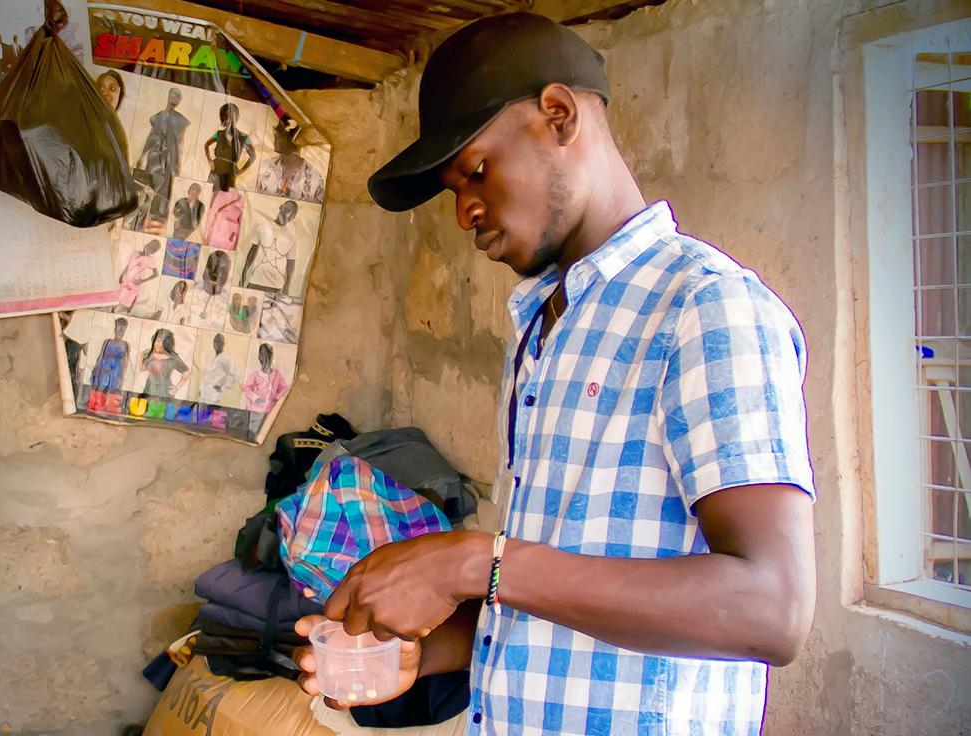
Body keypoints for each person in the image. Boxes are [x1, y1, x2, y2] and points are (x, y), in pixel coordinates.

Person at [291, 13, 817, 736]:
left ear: (559, 116)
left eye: (474, 170)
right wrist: (432, 651)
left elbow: (773, 608)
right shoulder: (546, 325)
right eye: (453, 189)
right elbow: (564, 584)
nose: (466, 209)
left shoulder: (705, 308)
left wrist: (474, 561)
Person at [136, 87, 190, 223]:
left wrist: (177, 165)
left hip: (170, 159)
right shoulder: (157, 117)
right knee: (149, 184)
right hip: (154, 157)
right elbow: (151, 136)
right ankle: (141, 215)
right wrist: (142, 155)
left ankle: (156, 217)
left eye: (178, 96)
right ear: (168, 95)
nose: (175, 98)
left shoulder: (181, 120)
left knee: (165, 187)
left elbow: (180, 144)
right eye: (173, 94)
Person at [257, 120, 325, 203]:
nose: (276, 136)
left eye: (281, 133)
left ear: (295, 140)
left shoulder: (315, 178)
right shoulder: (265, 168)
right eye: (277, 130)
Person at [241, 200, 298, 294]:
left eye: (292, 212)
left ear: (293, 218)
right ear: (281, 207)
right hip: (255, 282)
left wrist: (287, 287)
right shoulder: (263, 226)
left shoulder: (292, 237)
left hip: (276, 286)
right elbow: (252, 253)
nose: (288, 213)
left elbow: (291, 263)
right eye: (287, 209)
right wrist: (243, 276)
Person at [203, 101, 255, 192]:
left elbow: (253, 156)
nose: (228, 119)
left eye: (231, 116)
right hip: (216, 170)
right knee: (211, 195)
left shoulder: (244, 137)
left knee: (225, 198)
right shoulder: (218, 134)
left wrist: (240, 172)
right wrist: (209, 159)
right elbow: (206, 144)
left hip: (230, 173)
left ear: (236, 117)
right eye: (226, 115)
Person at [243, 342, 288, 435]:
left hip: (271, 411)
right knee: (253, 433)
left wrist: (277, 397)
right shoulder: (255, 375)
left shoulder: (277, 374)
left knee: (268, 433)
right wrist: (256, 398)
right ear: (259, 357)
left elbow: (284, 387)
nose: (267, 357)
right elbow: (247, 389)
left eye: (269, 354)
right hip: (256, 411)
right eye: (263, 354)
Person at [140, 328, 190, 398]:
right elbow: (142, 368)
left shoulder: (173, 358)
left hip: (165, 393)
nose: (157, 344)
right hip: (149, 390)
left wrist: (177, 388)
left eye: (160, 341)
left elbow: (186, 372)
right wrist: (141, 355)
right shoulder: (149, 354)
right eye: (156, 341)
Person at [115, 239, 161, 314]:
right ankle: (117, 307)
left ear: (153, 251)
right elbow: (129, 265)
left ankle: (130, 307)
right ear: (147, 244)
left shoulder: (150, 260)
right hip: (127, 275)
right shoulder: (135, 253)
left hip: (135, 278)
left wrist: (142, 281)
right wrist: (123, 274)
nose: (149, 248)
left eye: (152, 248)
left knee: (134, 292)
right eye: (150, 245)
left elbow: (156, 274)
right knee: (120, 290)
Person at [190, 250, 231, 330]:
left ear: (227, 278)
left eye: (221, 271)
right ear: (204, 271)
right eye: (211, 267)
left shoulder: (229, 302)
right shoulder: (191, 291)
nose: (215, 274)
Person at [90, 317, 131, 393]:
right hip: (104, 371)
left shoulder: (126, 345)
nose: (121, 331)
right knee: (100, 390)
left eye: (123, 328)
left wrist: (122, 379)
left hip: (116, 375)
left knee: (110, 394)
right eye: (119, 327)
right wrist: (95, 370)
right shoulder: (107, 342)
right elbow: (100, 357)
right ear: (115, 328)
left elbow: (125, 364)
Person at [199, 333, 239, 405]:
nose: (217, 343)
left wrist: (223, 387)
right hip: (203, 394)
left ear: (224, 344)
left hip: (213, 397)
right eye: (216, 341)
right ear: (213, 343)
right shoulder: (210, 357)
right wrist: (201, 388)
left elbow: (234, 376)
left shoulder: (227, 359)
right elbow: (207, 375)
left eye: (220, 341)